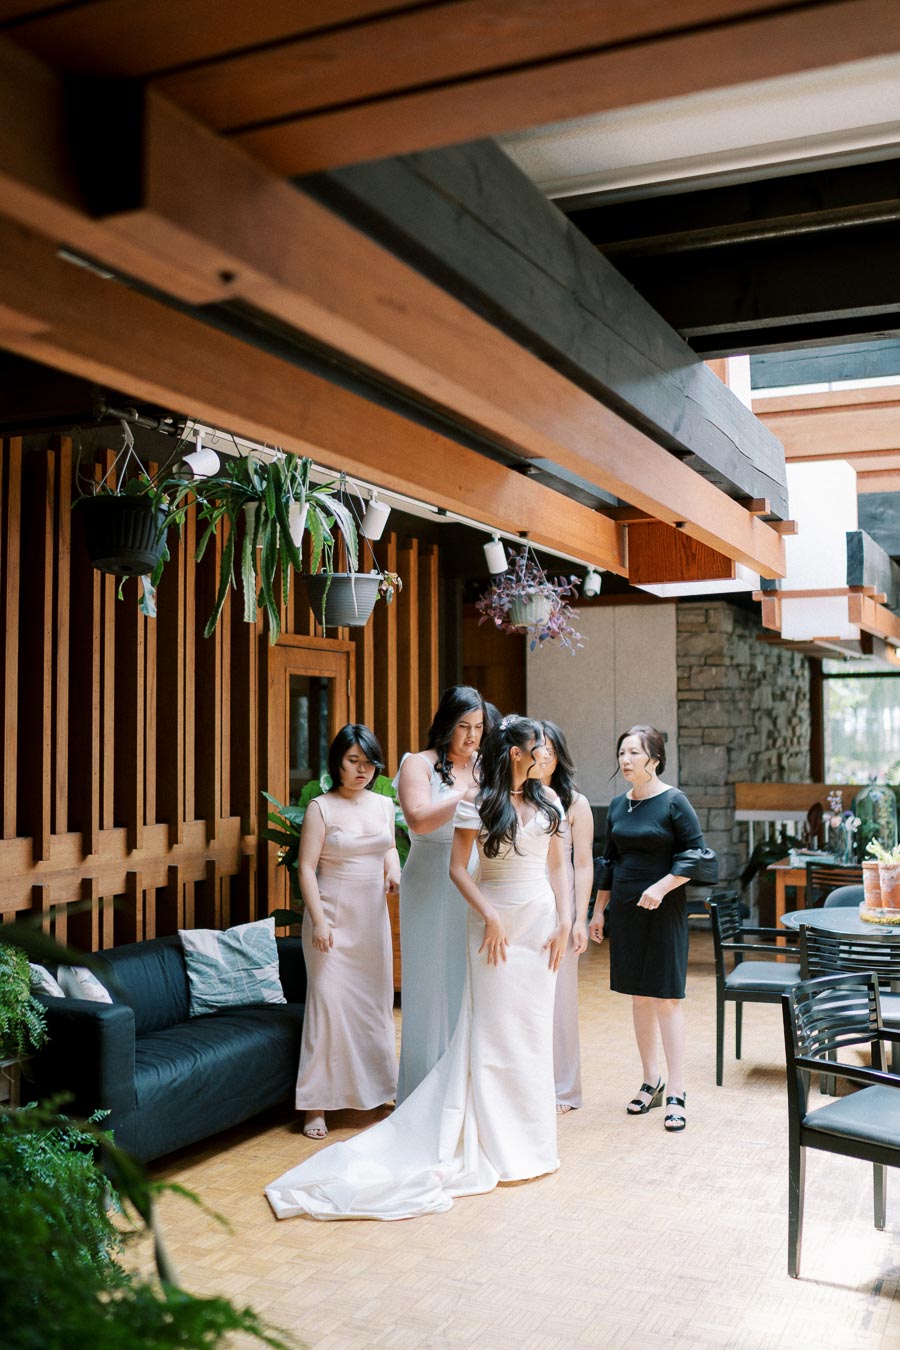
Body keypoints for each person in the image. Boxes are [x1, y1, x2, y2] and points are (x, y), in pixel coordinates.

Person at [265, 715, 571, 1221]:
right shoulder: (479, 803)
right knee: (493, 1030)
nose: (546, 753)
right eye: (537, 746)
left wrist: (564, 920)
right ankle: (490, 1138)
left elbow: (558, 866)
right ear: (515, 753)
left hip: (540, 925)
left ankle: (532, 1142)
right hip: (494, 922)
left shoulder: (549, 801)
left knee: (532, 1031)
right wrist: (489, 914)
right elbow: (457, 868)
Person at [589, 726, 716, 1133]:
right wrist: (597, 912)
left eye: (633, 753)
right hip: (626, 912)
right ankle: (651, 1080)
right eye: (621, 752)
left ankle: (677, 1090)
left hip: (663, 910)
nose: (625, 760)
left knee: (665, 998)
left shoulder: (674, 801)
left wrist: (662, 886)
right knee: (639, 998)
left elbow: (698, 855)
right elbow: (608, 861)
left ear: (654, 759)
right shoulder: (616, 805)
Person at [294, 724, 401, 1141]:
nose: (361, 770)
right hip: (332, 918)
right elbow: (306, 866)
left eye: (368, 762)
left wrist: (393, 868)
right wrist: (319, 920)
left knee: (374, 1007)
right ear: (337, 760)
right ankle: (314, 1106)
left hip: (371, 919)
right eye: (353, 761)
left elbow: (388, 846)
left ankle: (378, 1091)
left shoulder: (381, 803)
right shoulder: (322, 807)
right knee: (326, 1007)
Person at [393, 685, 486, 1102]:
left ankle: (466, 1087)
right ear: (447, 724)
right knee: (430, 981)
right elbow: (418, 819)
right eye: (464, 727)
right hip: (431, 873)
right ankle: (423, 1090)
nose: (472, 737)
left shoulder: (485, 766)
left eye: (479, 727)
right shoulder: (419, 764)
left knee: (469, 978)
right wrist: (462, 795)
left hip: (476, 876)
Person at [539, 721, 593, 1112]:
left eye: (551, 751)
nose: (544, 756)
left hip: (561, 903)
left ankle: (563, 1089)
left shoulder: (576, 803)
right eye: (537, 749)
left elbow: (584, 863)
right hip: (523, 899)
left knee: (560, 1002)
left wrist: (577, 918)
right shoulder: (514, 798)